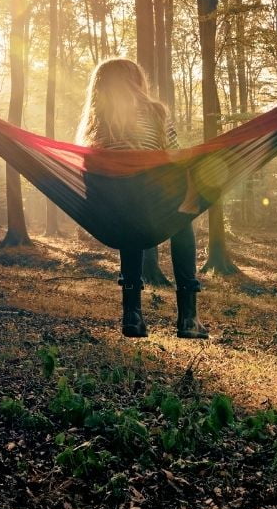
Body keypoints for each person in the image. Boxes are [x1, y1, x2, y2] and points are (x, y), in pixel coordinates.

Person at [77, 58, 210, 340]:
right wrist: (190, 193)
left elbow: (90, 173)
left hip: (117, 207)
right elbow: (177, 157)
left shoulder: (96, 123)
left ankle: (132, 316)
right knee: (183, 221)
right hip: (153, 200)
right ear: (136, 82)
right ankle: (188, 317)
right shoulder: (155, 112)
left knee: (128, 224)